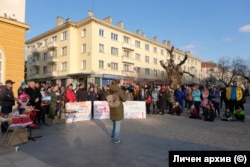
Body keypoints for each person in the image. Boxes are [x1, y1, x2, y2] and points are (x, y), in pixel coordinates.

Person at [109, 80, 126, 144]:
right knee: (117, 124)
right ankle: (116, 139)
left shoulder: (109, 90)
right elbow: (124, 99)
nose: (120, 85)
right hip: (118, 108)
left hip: (112, 107)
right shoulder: (119, 91)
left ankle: (113, 136)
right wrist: (125, 93)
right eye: (120, 84)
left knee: (114, 123)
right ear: (118, 84)